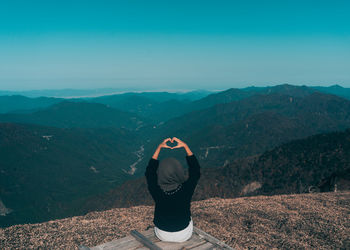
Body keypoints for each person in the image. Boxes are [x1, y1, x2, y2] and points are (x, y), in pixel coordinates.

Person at [145, 137, 201, 242]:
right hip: (183, 234)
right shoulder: (186, 189)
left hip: (162, 234)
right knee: (190, 219)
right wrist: (185, 146)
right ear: (179, 171)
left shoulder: (156, 190)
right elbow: (195, 170)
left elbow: (149, 173)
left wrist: (159, 148)